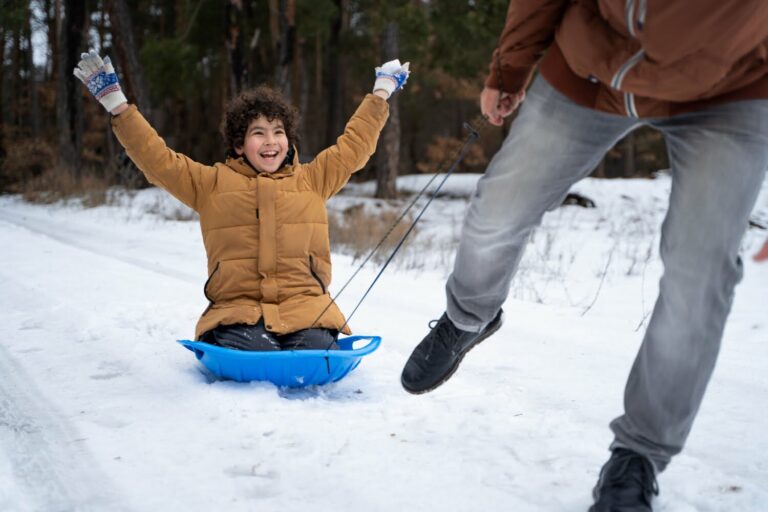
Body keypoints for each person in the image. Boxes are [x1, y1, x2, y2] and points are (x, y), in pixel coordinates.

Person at [400, 2, 768, 511]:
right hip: (591, 70)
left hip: (729, 89)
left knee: (700, 270)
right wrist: (510, 68)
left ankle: (638, 454)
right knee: (500, 208)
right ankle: (468, 317)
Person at [74, 50, 409, 351]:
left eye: (279, 132)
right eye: (258, 133)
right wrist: (117, 104)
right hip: (237, 312)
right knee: (255, 350)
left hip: (305, 308)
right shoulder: (210, 184)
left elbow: (355, 146)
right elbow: (157, 159)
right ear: (238, 144)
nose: (271, 141)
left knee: (316, 350)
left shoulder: (312, 179)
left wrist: (381, 92)